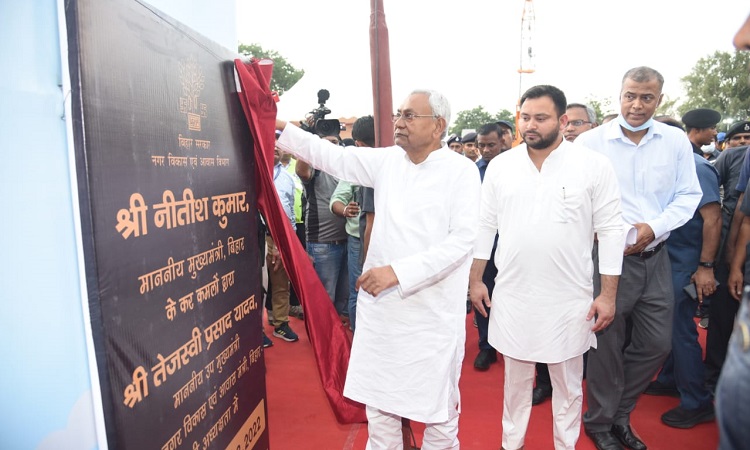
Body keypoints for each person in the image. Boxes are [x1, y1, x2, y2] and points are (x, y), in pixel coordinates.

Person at [276, 89, 480, 449]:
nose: (399, 123)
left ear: (439, 126)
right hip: (384, 310)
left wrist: (398, 272)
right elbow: (331, 156)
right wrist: (279, 127)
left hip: (431, 314)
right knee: (381, 408)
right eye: (398, 114)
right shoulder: (387, 161)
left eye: (410, 116)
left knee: (439, 414)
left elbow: (462, 241)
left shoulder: (461, 171)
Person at [470, 85, 624, 450]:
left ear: (563, 120)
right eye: (525, 117)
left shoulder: (593, 165)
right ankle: (512, 443)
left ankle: (565, 445)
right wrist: (475, 279)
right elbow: (484, 226)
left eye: (541, 118)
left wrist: (607, 295)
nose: (531, 125)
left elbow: (612, 230)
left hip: (569, 299)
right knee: (515, 383)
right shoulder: (501, 166)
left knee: (569, 385)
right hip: (513, 294)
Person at [577, 66, 702, 450]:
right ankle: (600, 423)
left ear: (659, 100)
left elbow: (688, 195)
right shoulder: (591, 143)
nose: (637, 104)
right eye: (630, 95)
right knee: (606, 348)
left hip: (656, 255)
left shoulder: (675, 141)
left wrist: (654, 226)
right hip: (607, 262)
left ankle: (618, 412)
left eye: (646, 97)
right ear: (619, 95)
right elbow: (574, 201)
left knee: (656, 346)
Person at [644, 108, 721, 428]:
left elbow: (713, 219)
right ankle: (672, 378)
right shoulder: (671, 167)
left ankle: (697, 400)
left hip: (686, 263)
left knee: (680, 332)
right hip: (667, 258)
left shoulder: (698, 167)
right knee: (671, 330)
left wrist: (705, 267)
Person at [533, 101, 600, 406]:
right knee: (541, 326)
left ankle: (585, 391)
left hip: (594, 261)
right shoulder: (537, 162)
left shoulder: (597, 162)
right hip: (545, 266)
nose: (571, 129)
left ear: (592, 127)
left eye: (578, 123)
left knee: (580, 330)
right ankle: (544, 382)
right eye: (568, 123)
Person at [471, 120, 514, 371]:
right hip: (484, 247)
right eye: (481, 145)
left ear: (502, 141)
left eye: (490, 145)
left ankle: (510, 343)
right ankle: (486, 346)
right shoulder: (473, 171)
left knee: (510, 296)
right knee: (483, 295)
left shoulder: (516, 167)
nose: (485, 150)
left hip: (512, 245)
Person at [295, 129, 350, 317]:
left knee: (343, 297)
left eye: (334, 142)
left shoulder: (347, 171)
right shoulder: (315, 171)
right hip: (323, 244)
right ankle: (323, 340)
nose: (330, 146)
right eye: (325, 143)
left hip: (348, 242)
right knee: (324, 297)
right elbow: (301, 170)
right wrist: (310, 144)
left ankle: (337, 339)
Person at [265, 144, 301, 343]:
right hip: (260, 236)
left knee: (281, 283)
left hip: (283, 238)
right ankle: (257, 329)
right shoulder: (254, 171)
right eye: (271, 143)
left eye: (277, 145)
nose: (275, 148)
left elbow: (291, 212)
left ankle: (280, 324)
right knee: (256, 285)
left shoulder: (287, 176)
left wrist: (291, 239)